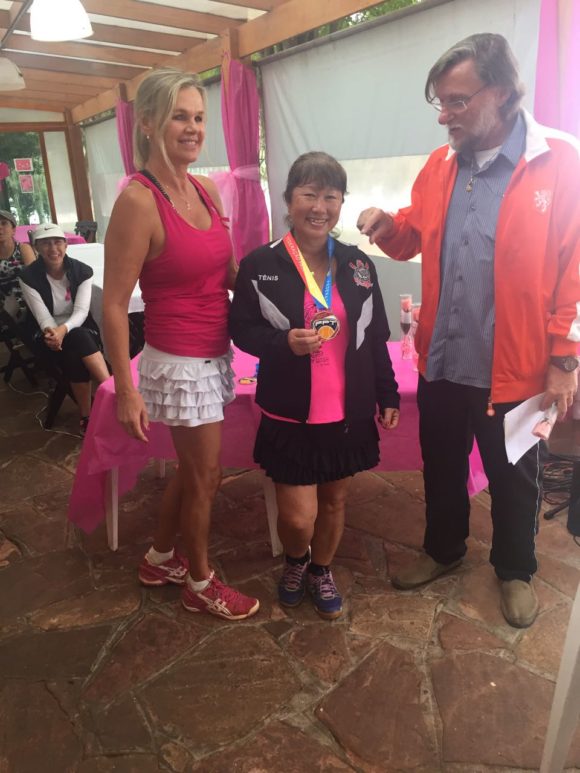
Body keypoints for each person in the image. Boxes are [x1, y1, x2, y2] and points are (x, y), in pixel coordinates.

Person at [357, 33, 580, 628]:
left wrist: (565, 361)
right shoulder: (440, 164)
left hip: (516, 367)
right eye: (440, 102)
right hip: (443, 358)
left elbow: (576, 270)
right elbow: (416, 232)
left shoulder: (560, 161)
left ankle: (515, 569)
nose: (444, 115)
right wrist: (387, 226)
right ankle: (443, 549)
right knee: (441, 466)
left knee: (515, 478)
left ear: (501, 92)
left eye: (457, 101)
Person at [103, 67, 259, 622]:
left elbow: (228, 272)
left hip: (215, 351)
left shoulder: (206, 189)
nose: (193, 128)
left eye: (199, 117)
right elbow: (113, 305)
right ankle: (199, 582)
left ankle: (159, 558)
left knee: (196, 469)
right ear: (147, 123)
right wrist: (126, 390)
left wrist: (286, 283)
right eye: (179, 117)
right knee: (205, 476)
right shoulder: (138, 202)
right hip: (178, 361)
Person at [230, 152, 400, 619]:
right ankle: (296, 559)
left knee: (335, 501)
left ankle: (321, 569)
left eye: (330, 196)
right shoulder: (260, 264)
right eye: (309, 194)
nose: (319, 207)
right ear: (289, 200)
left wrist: (387, 393)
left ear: (341, 203)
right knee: (298, 516)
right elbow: (241, 330)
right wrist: (282, 341)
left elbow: (375, 335)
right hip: (290, 412)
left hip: (347, 412)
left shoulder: (358, 264)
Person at [19, 223, 109, 434]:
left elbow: (81, 311)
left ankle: (87, 416)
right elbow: (42, 316)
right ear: (36, 248)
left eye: (58, 242)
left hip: (78, 327)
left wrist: (63, 330)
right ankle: (112, 391)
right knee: (77, 342)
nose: (53, 248)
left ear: (66, 245)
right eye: (45, 243)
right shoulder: (28, 276)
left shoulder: (82, 271)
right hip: (46, 332)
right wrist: (54, 333)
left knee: (76, 343)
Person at [0, 209, 35, 328]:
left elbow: (34, 279)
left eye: (4, 223)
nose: (0, 227)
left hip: (28, 303)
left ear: (13, 230)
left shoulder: (23, 249)